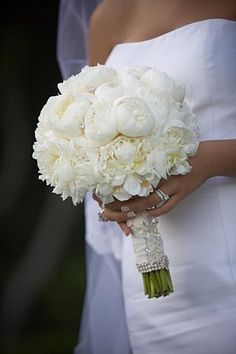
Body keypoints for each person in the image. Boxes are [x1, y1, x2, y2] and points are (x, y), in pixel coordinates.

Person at [57, 1, 236, 353]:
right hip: (153, 286)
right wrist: (104, 182)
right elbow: (90, 132)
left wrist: (210, 160)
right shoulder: (107, 17)